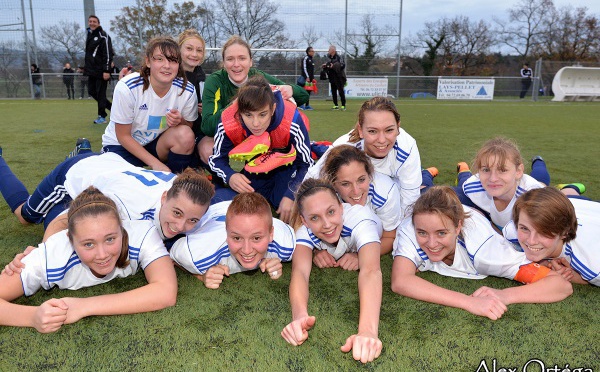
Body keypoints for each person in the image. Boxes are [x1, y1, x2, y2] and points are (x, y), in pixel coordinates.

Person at [0, 187, 177, 333]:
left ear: (122, 230)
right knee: (25, 213)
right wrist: (32, 316)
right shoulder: (50, 256)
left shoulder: (141, 233)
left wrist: (83, 306)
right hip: (61, 205)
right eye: (88, 244)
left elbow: (166, 292)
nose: (102, 255)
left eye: (110, 239)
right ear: (70, 240)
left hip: (96, 194)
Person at [391, 186, 573, 320]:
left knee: (463, 187)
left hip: (471, 206)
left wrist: (503, 296)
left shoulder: (486, 253)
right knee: (424, 186)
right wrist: (468, 302)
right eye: (422, 233)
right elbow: (401, 281)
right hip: (433, 196)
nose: (431, 243)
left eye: (441, 233)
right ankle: (428, 175)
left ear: (458, 227)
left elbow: (561, 285)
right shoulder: (411, 228)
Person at [0, 151, 213, 242]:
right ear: (164, 198)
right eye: (177, 213)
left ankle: (83, 148)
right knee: (26, 216)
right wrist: (43, 257)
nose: (181, 225)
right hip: (79, 171)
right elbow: (63, 221)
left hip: (112, 167)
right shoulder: (123, 205)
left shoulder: (188, 192)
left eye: (192, 220)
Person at [281, 178, 383, 364]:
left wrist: (367, 331)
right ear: (304, 221)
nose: (326, 224)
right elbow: (300, 272)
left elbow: (371, 271)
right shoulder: (304, 231)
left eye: (331, 212)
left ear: (341, 207)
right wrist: (300, 316)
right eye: (314, 218)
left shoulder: (361, 220)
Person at [209, 75, 313, 223]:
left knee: (295, 206)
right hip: (255, 169)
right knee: (224, 201)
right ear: (239, 112)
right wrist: (230, 175)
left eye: (262, 114)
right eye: (248, 115)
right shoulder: (228, 122)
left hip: (287, 166)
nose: (256, 123)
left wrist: (291, 195)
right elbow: (216, 159)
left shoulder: (291, 121)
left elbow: (307, 163)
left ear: (273, 109)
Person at [199, 35, 309, 164]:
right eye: (230, 59)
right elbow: (207, 126)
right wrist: (235, 105)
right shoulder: (215, 81)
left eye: (242, 58)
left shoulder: (258, 78)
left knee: (270, 137)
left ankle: (267, 175)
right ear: (223, 63)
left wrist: (291, 89)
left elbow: (303, 96)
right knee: (206, 148)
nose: (236, 64)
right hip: (229, 134)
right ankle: (222, 180)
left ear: (250, 61)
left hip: (255, 132)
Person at [311, 96, 422, 219]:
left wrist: (396, 230)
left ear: (398, 128)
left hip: (394, 192)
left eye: (389, 130)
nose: (381, 140)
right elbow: (311, 182)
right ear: (360, 130)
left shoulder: (407, 148)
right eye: (372, 131)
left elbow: (410, 201)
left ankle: (427, 175)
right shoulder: (344, 147)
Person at [101, 36, 198, 173]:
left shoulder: (186, 90)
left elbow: (189, 127)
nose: (167, 65)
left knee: (185, 134)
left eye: (173, 60)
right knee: (120, 188)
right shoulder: (128, 88)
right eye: (159, 59)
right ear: (148, 61)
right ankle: (84, 151)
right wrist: (155, 164)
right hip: (122, 145)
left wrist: (180, 121)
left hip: (155, 145)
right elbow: (123, 136)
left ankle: (176, 182)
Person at [170, 193, 295, 289]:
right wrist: (200, 276)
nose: (247, 250)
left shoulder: (286, 244)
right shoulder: (198, 254)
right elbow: (172, 255)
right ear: (227, 233)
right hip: (214, 203)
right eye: (237, 238)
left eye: (256, 238)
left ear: (271, 234)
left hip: (234, 198)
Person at [504, 187, 600, 286]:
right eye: (524, 228)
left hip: (592, 211)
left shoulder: (593, 262)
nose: (531, 241)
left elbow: (591, 276)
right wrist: (544, 264)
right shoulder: (512, 232)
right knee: (568, 194)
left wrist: (573, 275)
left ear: (565, 233)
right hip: (576, 204)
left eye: (543, 232)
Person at [318, 144, 401, 255]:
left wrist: (361, 255)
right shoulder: (324, 194)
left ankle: (426, 174)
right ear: (333, 184)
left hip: (400, 189)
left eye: (361, 180)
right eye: (345, 184)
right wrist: (317, 251)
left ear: (369, 175)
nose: (356, 191)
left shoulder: (385, 193)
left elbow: (390, 237)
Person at [458, 137, 548, 230]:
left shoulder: (532, 197)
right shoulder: (472, 187)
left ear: (518, 171)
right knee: (463, 182)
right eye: (486, 169)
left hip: (536, 187)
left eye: (502, 170)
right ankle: (463, 170)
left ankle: (538, 161)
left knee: (541, 180)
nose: (493, 179)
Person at [177, 29, 207, 164]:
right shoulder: (169, 76)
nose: (194, 54)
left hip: (198, 132)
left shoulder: (204, 79)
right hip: (175, 133)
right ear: (179, 50)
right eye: (189, 49)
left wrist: (208, 109)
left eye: (199, 50)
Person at [84, 15, 113, 124]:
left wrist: (107, 70)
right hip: (91, 71)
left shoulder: (103, 36)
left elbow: (108, 54)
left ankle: (102, 116)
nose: (92, 23)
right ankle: (113, 109)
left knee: (101, 94)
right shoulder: (89, 35)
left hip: (101, 71)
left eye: (94, 21)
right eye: (90, 21)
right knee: (91, 91)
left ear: (98, 23)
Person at [322, 45, 346, 110]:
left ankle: (343, 105)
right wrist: (325, 66)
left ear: (333, 50)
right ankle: (336, 105)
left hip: (339, 76)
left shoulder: (339, 57)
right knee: (333, 91)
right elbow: (328, 64)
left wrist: (334, 66)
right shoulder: (328, 57)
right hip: (331, 76)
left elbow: (342, 65)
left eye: (329, 50)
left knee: (341, 91)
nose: (328, 51)